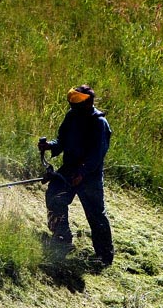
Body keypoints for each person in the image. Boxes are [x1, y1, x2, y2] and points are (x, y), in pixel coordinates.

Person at [38, 85, 114, 265]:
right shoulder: (71, 117)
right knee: (55, 196)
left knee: (96, 215)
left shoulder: (99, 123)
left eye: (77, 103)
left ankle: (104, 256)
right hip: (69, 169)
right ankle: (62, 239)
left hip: (90, 176)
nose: (73, 106)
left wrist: (82, 173)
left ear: (88, 103)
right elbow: (61, 141)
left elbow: (97, 155)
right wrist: (50, 146)